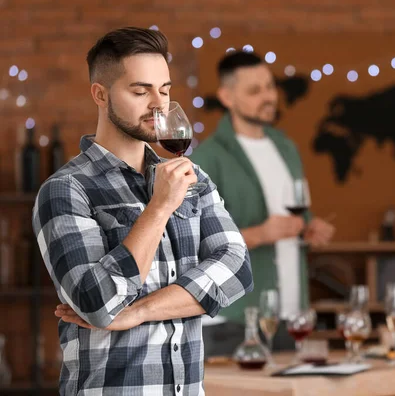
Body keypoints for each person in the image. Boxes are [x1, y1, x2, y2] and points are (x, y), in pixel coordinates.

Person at [32, 27, 253, 395]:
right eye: (140, 90)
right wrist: (160, 206)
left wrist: (137, 311)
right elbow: (98, 305)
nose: (159, 104)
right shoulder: (66, 190)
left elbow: (237, 268)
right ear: (100, 95)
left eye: (164, 90)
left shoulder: (190, 177)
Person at [190, 51, 335, 356]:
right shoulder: (207, 159)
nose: (269, 97)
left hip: (290, 318)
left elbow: (298, 215)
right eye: (255, 91)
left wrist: (308, 229)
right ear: (227, 97)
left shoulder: (286, 148)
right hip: (234, 321)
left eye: (270, 86)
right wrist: (261, 234)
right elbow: (195, 245)